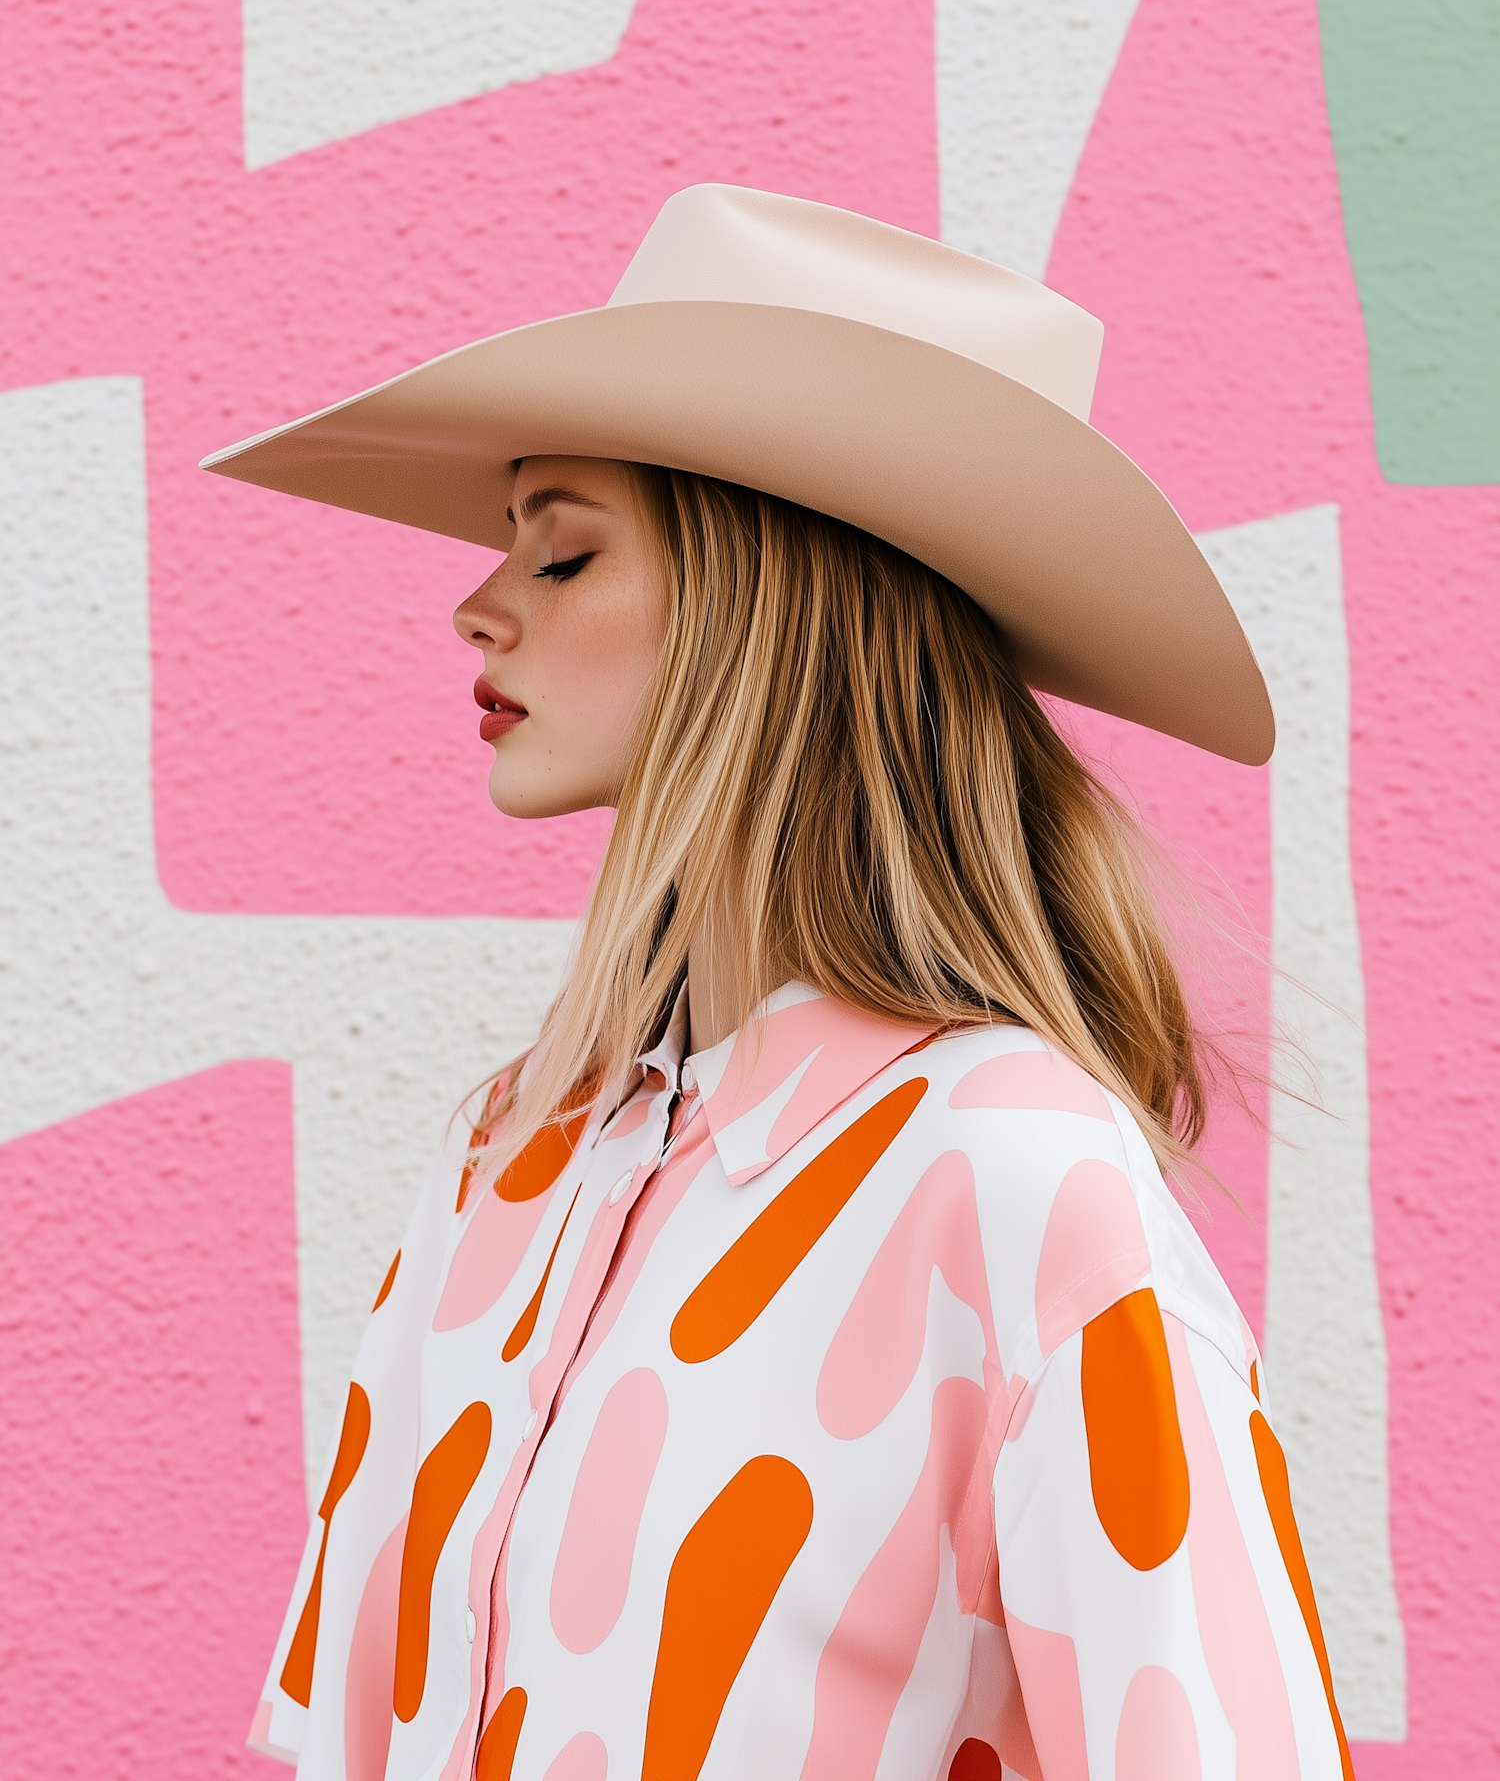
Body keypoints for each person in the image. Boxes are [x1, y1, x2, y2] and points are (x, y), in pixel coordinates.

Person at [204, 185, 1353, 1781]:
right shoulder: (502, 1163)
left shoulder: (1013, 1179)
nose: (480, 603)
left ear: (774, 611)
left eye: (564, 549)